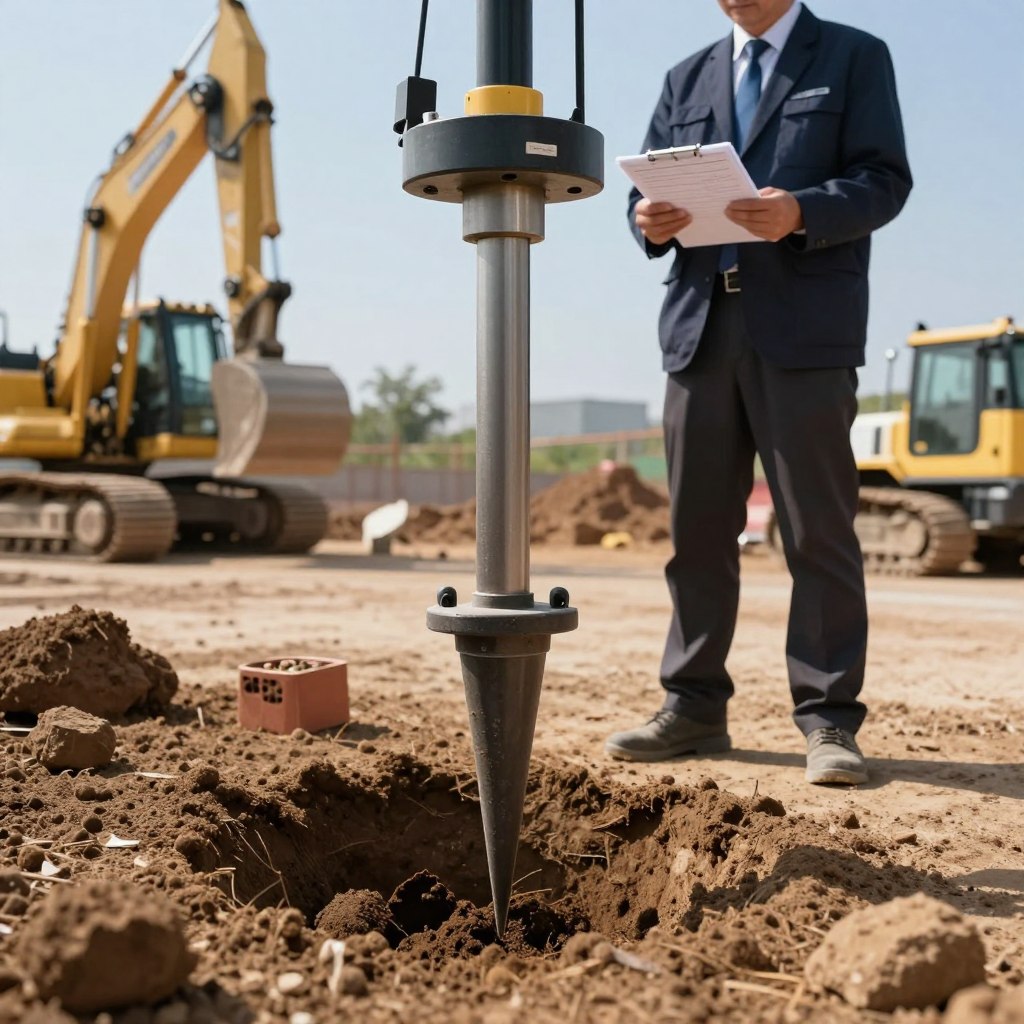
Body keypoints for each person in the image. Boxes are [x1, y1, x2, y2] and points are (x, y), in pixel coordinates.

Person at [605, 0, 912, 784]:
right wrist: (649, 221)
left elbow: (885, 181)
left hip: (804, 334)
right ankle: (694, 704)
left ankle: (829, 721)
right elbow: (641, 200)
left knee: (817, 531)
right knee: (697, 532)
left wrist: (802, 210)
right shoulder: (687, 77)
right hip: (701, 331)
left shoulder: (851, 55)